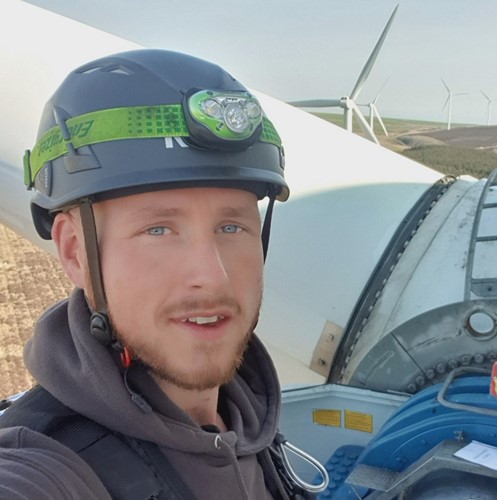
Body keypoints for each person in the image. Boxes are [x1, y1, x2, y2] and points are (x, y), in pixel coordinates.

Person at [0, 48, 314, 499]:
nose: (213, 276)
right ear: (75, 251)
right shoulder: (42, 468)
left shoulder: (248, 423)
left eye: (232, 226)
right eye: (159, 229)